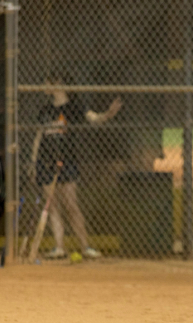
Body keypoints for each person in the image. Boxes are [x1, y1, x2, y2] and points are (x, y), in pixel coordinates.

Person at [29, 78, 123, 259]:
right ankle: (59, 247)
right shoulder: (45, 110)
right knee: (53, 206)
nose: (44, 86)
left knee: (71, 204)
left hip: (67, 161)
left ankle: (85, 246)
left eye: (48, 82)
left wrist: (108, 115)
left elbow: (93, 118)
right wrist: (34, 162)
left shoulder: (74, 107)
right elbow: (39, 137)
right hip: (46, 162)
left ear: (58, 83)